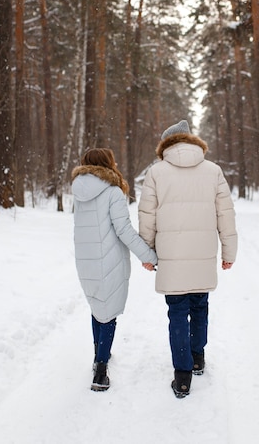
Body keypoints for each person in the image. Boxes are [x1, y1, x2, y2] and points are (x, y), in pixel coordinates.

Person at [138, 120, 237, 398]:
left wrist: (147, 252)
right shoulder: (213, 171)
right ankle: (197, 357)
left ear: (165, 145)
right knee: (200, 306)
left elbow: (147, 215)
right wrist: (229, 253)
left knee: (178, 312)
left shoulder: (156, 172)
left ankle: (182, 377)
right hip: (203, 253)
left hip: (171, 255)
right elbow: (226, 215)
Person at [72, 148, 157, 392]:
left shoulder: (79, 192)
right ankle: (101, 370)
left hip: (85, 259)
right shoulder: (113, 192)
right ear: (108, 164)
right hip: (108, 259)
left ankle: (99, 354)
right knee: (108, 312)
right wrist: (148, 256)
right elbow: (124, 230)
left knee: (98, 305)